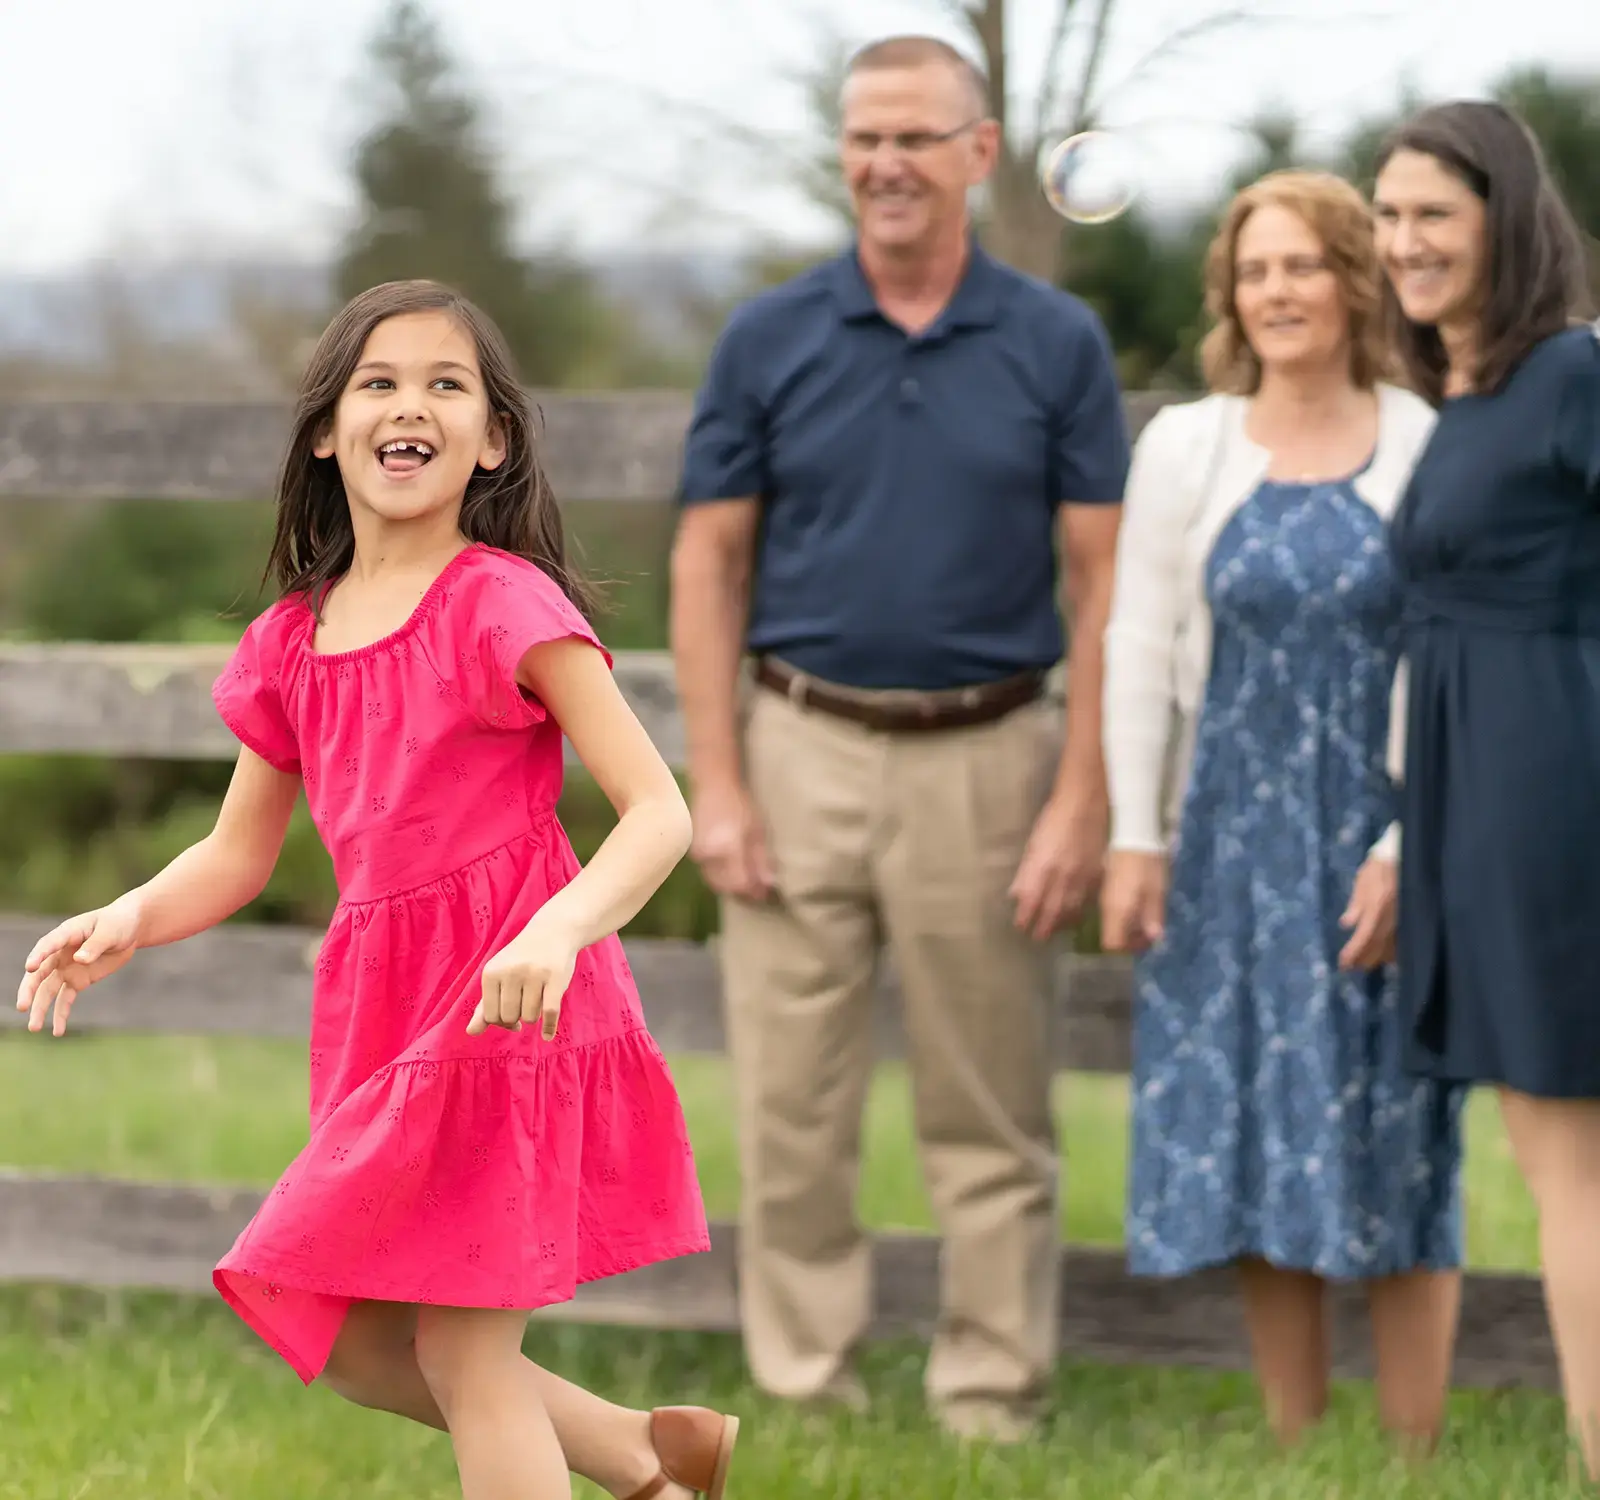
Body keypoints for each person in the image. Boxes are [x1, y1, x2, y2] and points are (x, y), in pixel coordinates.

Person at [15, 280, 739, 1500]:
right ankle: (642, 1453)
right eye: (380, 383)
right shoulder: (294, 641)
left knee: (463, 1345)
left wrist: (557, 932)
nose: (412, 406)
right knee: (351, 1338)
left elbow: (657, 811)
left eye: (446, 385)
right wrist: (131, 913)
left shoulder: (503, 604)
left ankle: (644, 1468)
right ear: (324, 430)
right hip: (382, 1010)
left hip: (513, 998)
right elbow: (237, 854)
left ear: (492, 439)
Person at [669, 34, 1128, 1442]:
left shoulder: (1056, 341)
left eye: (915, 138)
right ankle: (803, 1393)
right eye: (863, 138)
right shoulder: (768, 337)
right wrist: (720, 786)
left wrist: (1079, 797)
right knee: (792, 1112)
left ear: (979, 153)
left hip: (995, 757)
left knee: (990, 1117)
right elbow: (708, 566)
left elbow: (1109, 580)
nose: (883, 164)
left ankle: (991, 1397)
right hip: (797, 747)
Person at [1098, 170, 1464, 1449]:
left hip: (1386, 837)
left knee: (1402, 1131)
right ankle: (1297, 1445)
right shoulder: (1184, 447)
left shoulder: (1427, 440)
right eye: (1255, 271)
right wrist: (1135, 838)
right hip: (1228, 843)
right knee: (1260, 1129)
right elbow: (1138, 646)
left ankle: (1417, 1453)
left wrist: (1413, 842)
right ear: (1230, 295)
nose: (1278, 291)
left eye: (1303, 265)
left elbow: (1457, 654)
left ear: (1353, 279)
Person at [1371, 101, 1600, 1478]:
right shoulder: (1470, 391)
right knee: (1557, 1160)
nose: (1403, 242)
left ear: (1506, 222)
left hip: (1550, 780)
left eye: (1433, 216)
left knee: (1573, 1164)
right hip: (1476, 786)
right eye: (1388, 216)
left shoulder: (1572, 374)